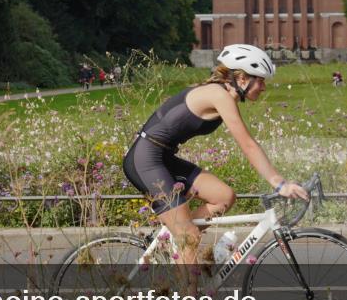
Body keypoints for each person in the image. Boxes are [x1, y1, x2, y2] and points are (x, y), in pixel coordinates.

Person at [123, 44, 309, 266]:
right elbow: (248, 145)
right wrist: (279, 184)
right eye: (260, 80)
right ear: (241, 79)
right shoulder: (218, 95)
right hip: (145, 159)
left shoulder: (219, 92)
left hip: (162, 158)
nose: (263, 87)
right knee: (189, 237)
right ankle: (186, 298)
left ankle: (176, 245)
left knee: (223, 197)